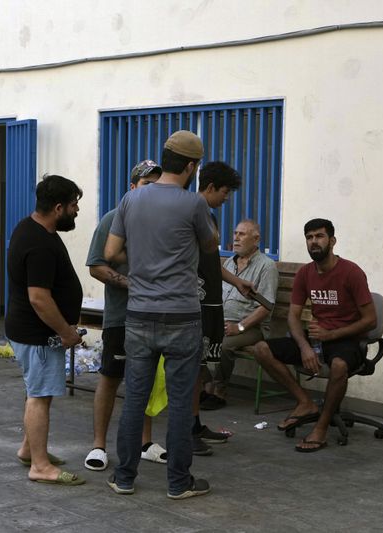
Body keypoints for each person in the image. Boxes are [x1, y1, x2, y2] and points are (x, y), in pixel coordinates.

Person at [105, 130, 216, 499]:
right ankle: (178, 483)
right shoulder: (194, 204)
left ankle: (123, 477)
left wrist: (141, 259)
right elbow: (210, 245)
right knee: (182, 403)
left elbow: (111, 252)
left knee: (135, 398)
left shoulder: (131, 199)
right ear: (191, 166)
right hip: (182, 315)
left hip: (138, 314)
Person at [252, 218, 376, 452]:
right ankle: (305, 402)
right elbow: (293, 316)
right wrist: (304, 347)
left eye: (319, 236)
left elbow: (371, 320)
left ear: (332, 241)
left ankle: (321, 426)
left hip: (347, 341)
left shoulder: (351, 272)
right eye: (309, 237)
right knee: (261, 349)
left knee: (339, 366)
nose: (314, 242)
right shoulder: (305, 273)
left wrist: (331, 335)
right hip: (317, 339)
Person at [84, 160, 166, 472]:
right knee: (110, 378)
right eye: (146, 185)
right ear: (133, 188)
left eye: (157, 186)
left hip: (155, 316)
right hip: (121, 318)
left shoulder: (162, 224)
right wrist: (130, 283)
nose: (152, 192)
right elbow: (96, 265)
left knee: (145, 380)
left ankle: (145, 442)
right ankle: (99, 446)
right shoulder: (112, 220)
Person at [6, 174, 86, 486]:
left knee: (38, 392)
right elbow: (39, 298)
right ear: (57, 208)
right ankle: (39, 465)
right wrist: (66, 331)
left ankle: (29, 450)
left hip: (34, 332)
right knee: (39, 396)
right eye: (73, 205)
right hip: (37, 334)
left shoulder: (35, 229)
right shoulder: (38, 242)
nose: (76, 211)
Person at [189, 161, 248, 455]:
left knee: (201, 367)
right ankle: (187, 430)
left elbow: (212, 262)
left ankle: (196, 423)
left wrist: (237, 281)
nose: (226, 198)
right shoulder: (190, 213)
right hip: (195, 303)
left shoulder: (208, 216)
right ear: (210, 187)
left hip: (211, 301)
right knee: (192, 367)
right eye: (224, 192)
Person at [201, 219, 279, 409]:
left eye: (242, 234)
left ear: (256, 239)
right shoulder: (229, 262)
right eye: (235, 233)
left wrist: (240, 326)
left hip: (251, 327)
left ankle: (219, 390)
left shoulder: (266, 266)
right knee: (194, 339)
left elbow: (267, 306)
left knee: (224, 346)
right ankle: (206, 385)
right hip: (223, 322)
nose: (236, 238)